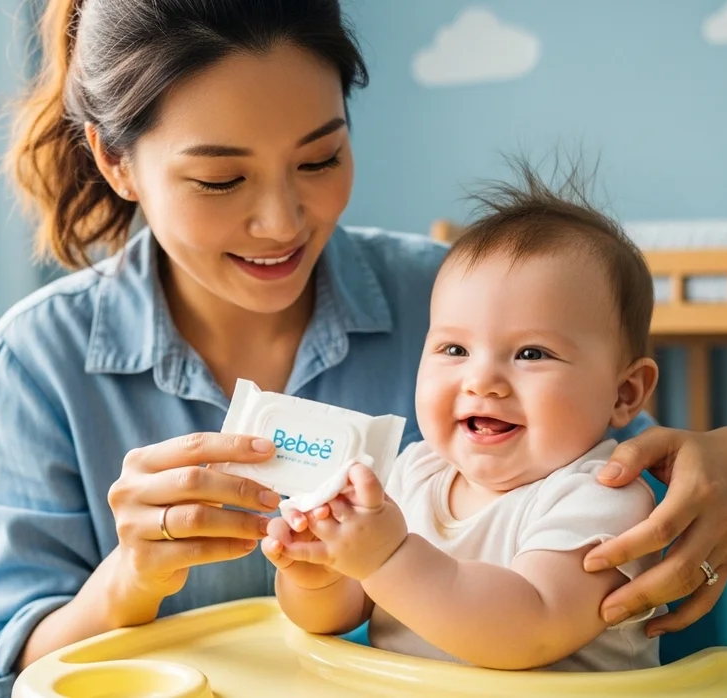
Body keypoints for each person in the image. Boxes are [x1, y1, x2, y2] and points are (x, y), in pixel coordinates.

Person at [0, 1, 727, 695]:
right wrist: (140, 578)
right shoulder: (36, 362)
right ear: (115, 160)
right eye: (220, 180)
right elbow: (10, 669)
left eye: (321, 158)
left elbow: (619, 460)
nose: (282, 222)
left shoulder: (461, 300)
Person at [267, 164, 667, 671]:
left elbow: (529, 630)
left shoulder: (603, 498)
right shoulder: (413, 472)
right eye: (455, 349)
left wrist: (387, 558)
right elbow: (341, 615)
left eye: (531, 354)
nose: (482, 381)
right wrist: (319, 574)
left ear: (624, 393)